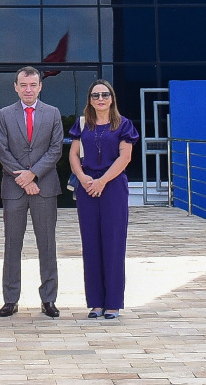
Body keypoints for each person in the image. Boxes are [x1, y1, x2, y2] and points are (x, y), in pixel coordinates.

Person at [0, 66, 64, 318]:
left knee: (47, 245)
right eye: (23, 85)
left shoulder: (53, 113)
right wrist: (24, 179)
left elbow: (56, 150)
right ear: (15, 86)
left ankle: (48, 299)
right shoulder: (4, 114)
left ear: (40, 86)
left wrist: (33, 175)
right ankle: (10, 299)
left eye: (33, 85)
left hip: (44, 188)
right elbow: (2, 150)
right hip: (14, 190)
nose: (28, 89)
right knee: (12, 245)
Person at [68, 79, 140, 319]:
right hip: (87, 186)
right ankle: (96, 303)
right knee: (91, 244)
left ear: (112, 98)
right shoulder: (82, 125)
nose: (100, 99)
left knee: (113, 243)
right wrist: (83, 177)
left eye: (105, 95)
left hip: (113, 186)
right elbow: (73, 155)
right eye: (95, 95)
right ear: (89, 99)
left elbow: (125, 157)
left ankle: (113, 303)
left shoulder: (123, 124)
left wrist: (102, 181)